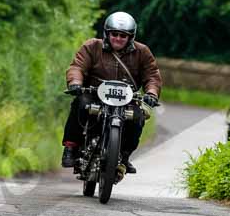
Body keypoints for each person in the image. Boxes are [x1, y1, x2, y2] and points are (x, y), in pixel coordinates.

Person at [61, 11, 162, 174]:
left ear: (131, 37)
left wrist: (151, 93)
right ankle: (71, 148)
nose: (118, 38)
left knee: (138, 117)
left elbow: (152, 75)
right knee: (81, 104)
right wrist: (76, 83)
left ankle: (124, 155)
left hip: (127, 99)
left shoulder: (142, 52)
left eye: (123, 35)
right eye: (114, 34)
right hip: (94, 94)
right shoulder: (92, 46)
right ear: (107, 33)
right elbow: (77, 67)